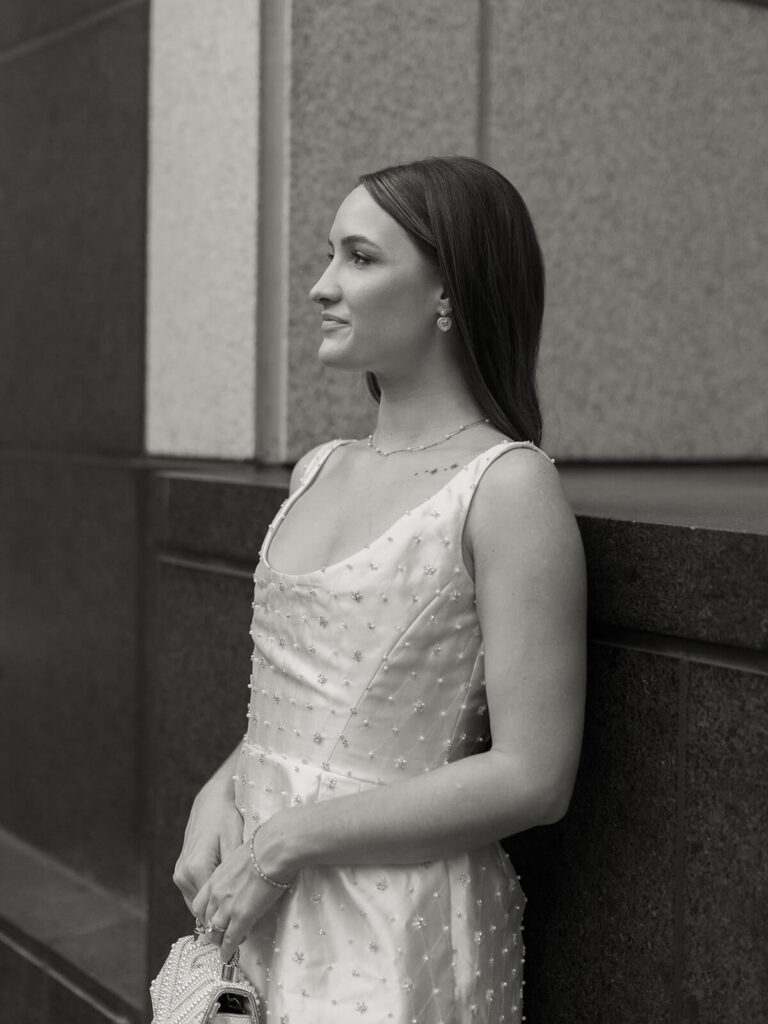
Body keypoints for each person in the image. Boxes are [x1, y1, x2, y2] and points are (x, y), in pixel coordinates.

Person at [175, 155, 586, 1023]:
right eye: (329, 256)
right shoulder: (318, 468)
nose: (323, 286)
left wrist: (288, 842)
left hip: (393, 928)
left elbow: (534, 775)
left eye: (359, 258)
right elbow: (302, 712)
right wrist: (225, 784)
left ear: (449, 293)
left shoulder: (505, 485)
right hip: (255, 900)